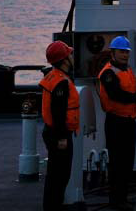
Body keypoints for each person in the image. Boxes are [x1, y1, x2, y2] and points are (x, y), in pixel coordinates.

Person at [98, 36, 136, 210]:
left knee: (127, 162)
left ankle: (122, 198)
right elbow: (115, 94)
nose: (125, 55)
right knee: (117, 163)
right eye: (121, 52)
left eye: (127, 52)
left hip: (128, 121)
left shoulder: (126, 70)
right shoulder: (108, 73)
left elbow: (126, 94)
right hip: (116, 122)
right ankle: (116, 201)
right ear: (113, 53)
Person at [40, 41, 79, 211]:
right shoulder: (61, 82)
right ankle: (53, 207)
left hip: (52, 132)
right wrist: (62, 137)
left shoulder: (53, 76)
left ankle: (52, 206)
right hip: (59, 135)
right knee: (60, 176)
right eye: (69, 54)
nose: (72, 56)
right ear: (64, 59)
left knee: (55, 175)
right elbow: (59, 112)